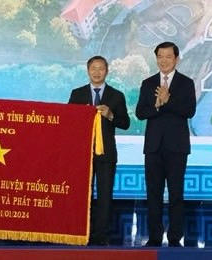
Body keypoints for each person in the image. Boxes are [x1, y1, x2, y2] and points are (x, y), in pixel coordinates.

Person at [135, 41, 196, 247]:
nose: (164, 60)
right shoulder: (148, 83)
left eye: (168, 57)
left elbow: (189, 111)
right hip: (153, 147)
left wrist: (168, 100)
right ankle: (154, 237)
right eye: (160, 56)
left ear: (176, 59)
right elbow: (140, 113)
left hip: (177, 148)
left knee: (176, 193)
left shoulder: (186, 83)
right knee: (153, 194)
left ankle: (174, 237)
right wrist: (157, 106)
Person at [68, 55, 131, 245]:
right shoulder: (77, 94)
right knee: (82, 196)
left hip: (107, 154)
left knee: (105, 196)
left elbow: (125, 123)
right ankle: (82, 234)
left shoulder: (116, 95)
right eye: (93, 68)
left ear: (107, 71)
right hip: (83, 154)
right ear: (88, 71)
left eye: (101, 68)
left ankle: (101, 236)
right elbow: (68, 122)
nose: (97, 72)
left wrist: (111, 115)